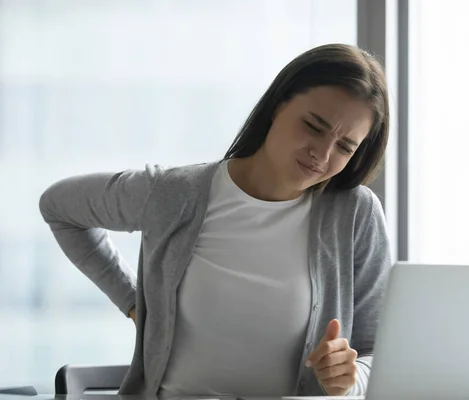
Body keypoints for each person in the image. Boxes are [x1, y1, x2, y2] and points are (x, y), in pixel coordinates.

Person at [39, 43, 392, 397]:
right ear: (278, 105)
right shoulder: (173, 193)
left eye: (345, 146)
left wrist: (349, 377)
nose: (322, 154)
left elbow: (380, 355)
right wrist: (135, 304)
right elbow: (58, 207)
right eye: (314, 126)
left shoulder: (355, 216)